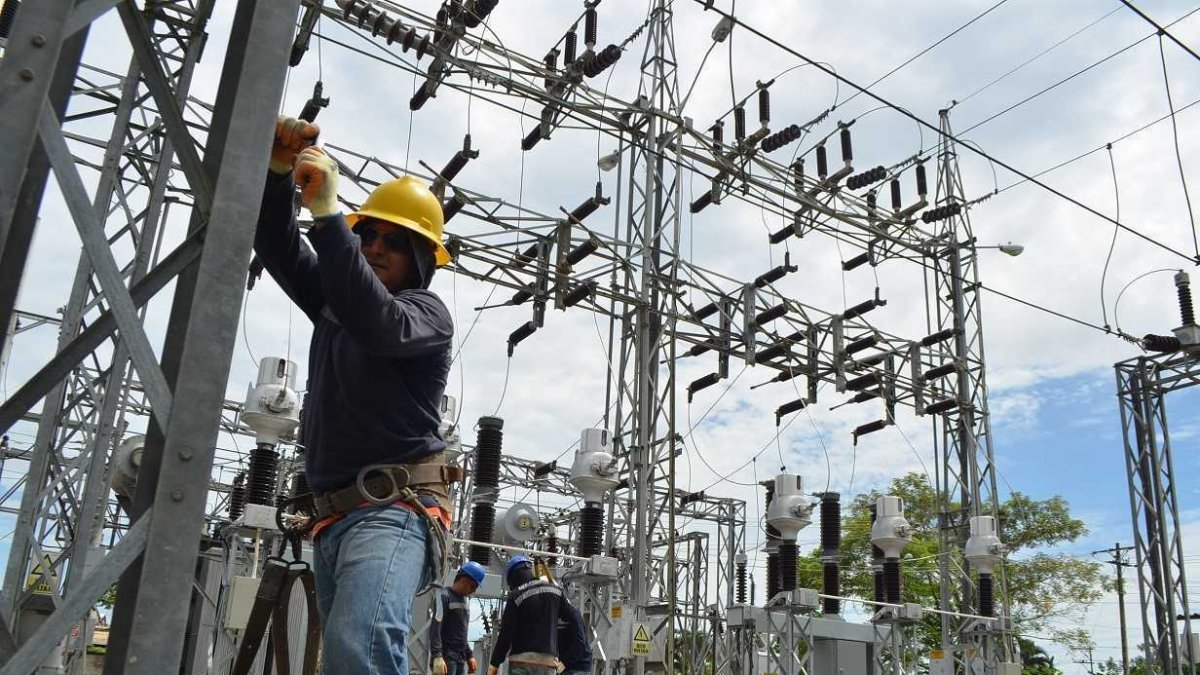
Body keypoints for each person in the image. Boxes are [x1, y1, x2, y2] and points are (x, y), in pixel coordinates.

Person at [255, 115, 456, 674]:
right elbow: (276, 243)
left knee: (359, 647)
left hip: (393, 509)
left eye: (396, 240)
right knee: (345, 658)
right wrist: (277, 172)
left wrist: (329, 216)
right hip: (332, 517)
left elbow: (377, 322)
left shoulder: (424, 315)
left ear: (421, 259)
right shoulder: (337, 300)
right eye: (367, 234)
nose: (375, 246)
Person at [487, 557, 586, 675]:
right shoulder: (556, 591)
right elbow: (578, 632)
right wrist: (562, 665)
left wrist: (493, 666)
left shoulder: (516, 595)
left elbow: (505, 636)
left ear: (513, 578)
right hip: (548, 664)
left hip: (520, 662)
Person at [431, 561, 487, 675]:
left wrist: (469, 655)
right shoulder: (444, 596)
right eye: (473, 586)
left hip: (459, 660)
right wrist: (437, 656)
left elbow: (461, 634)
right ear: (464, 581)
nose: (473, 590)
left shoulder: (463, 602)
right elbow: (435, 628)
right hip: (447, 658)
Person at [557, 601, 593, 675]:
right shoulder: (553, 617)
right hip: (565, 666)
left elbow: (579, 645)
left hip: (578, 666)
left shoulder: (572, 614)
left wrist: (561, 666)